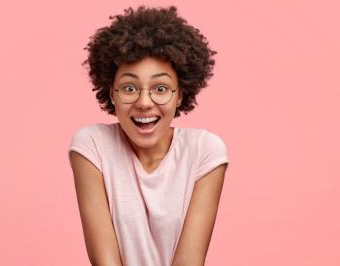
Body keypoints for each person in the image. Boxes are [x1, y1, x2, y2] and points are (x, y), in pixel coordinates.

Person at [68, 5, 229, 266]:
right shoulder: (92, 146)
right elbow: (105, 262)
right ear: (111, 93)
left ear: (180, 95)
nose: (144, 102)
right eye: (130, 87)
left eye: (161, 88)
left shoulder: (204, 150)